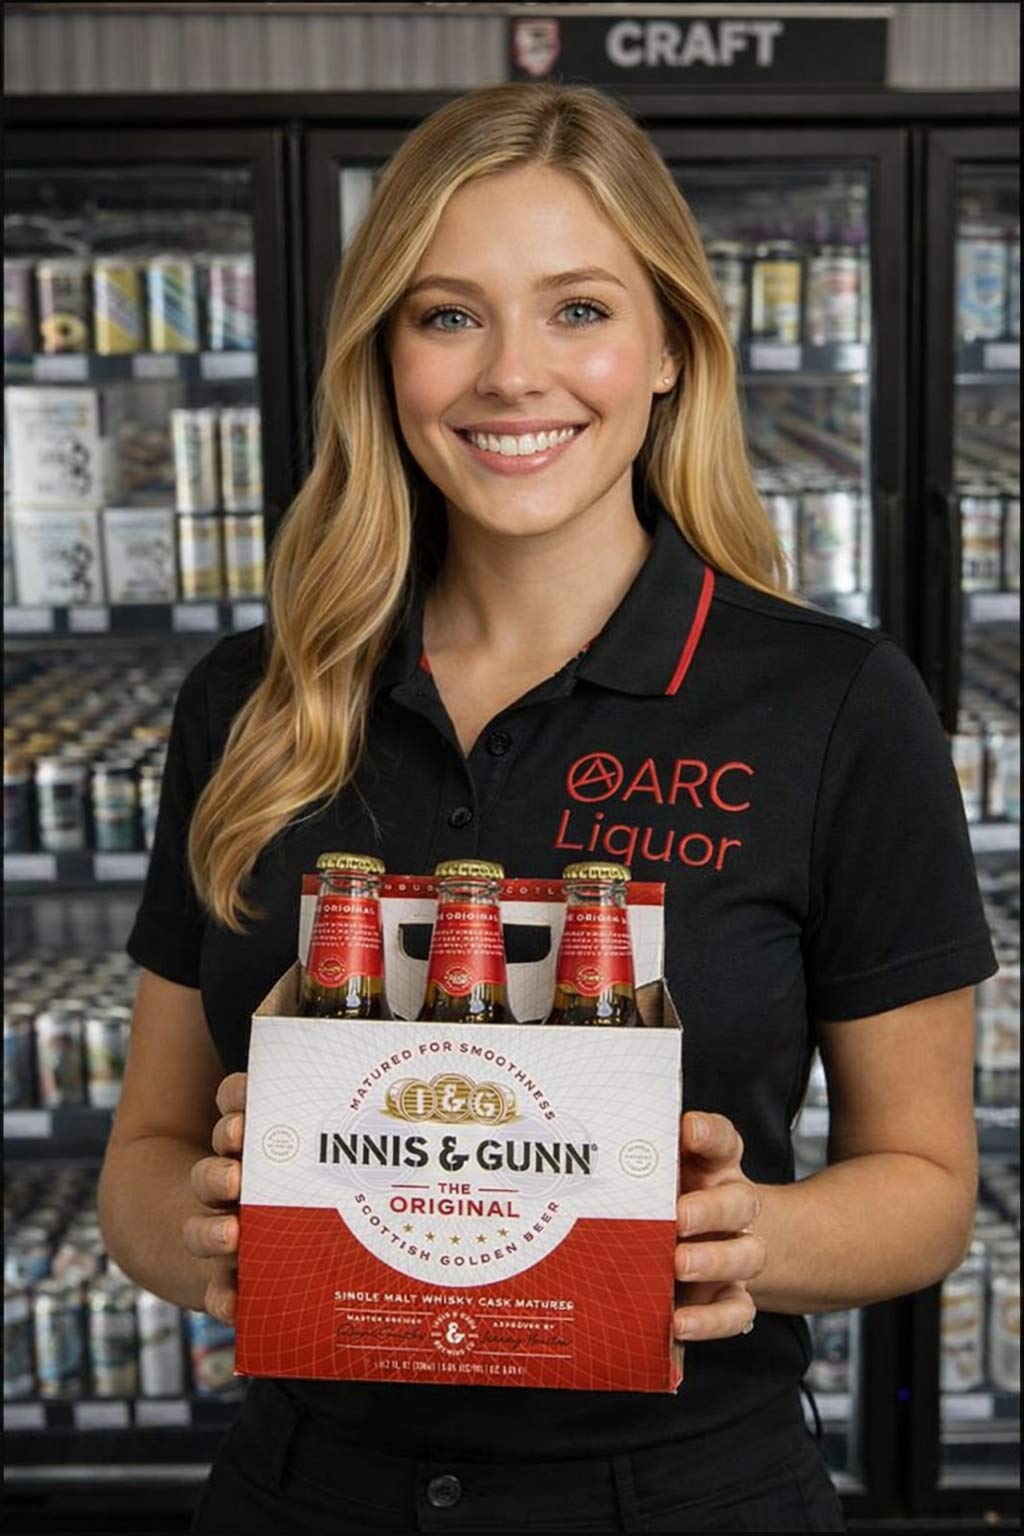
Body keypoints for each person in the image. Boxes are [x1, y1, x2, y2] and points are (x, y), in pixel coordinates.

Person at [98, 82, 996, 1534]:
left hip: (685, 1492)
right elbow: (141, 1155)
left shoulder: (831, 704)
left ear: (666, 351)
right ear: (383, 360)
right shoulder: (251, 698)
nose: (515, 374)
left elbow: (927, 1183)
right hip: (304, 1490)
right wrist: (194, 1233)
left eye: (578, 309)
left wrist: (751, 1232)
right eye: (448, 315)